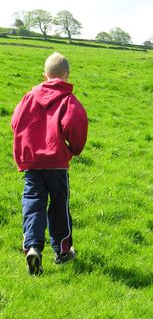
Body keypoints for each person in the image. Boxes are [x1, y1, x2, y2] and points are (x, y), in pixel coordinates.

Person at [11, 52, 88, 275]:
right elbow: (76, 126)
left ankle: (33, 247)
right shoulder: (68, 100)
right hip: (56, 163)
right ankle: (63, 251)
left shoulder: (29, 97)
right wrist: (74, 148)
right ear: (67, 75)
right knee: (58, 205)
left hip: (32, 163)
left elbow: (15, 123)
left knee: (33, 204)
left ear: (45, 75)